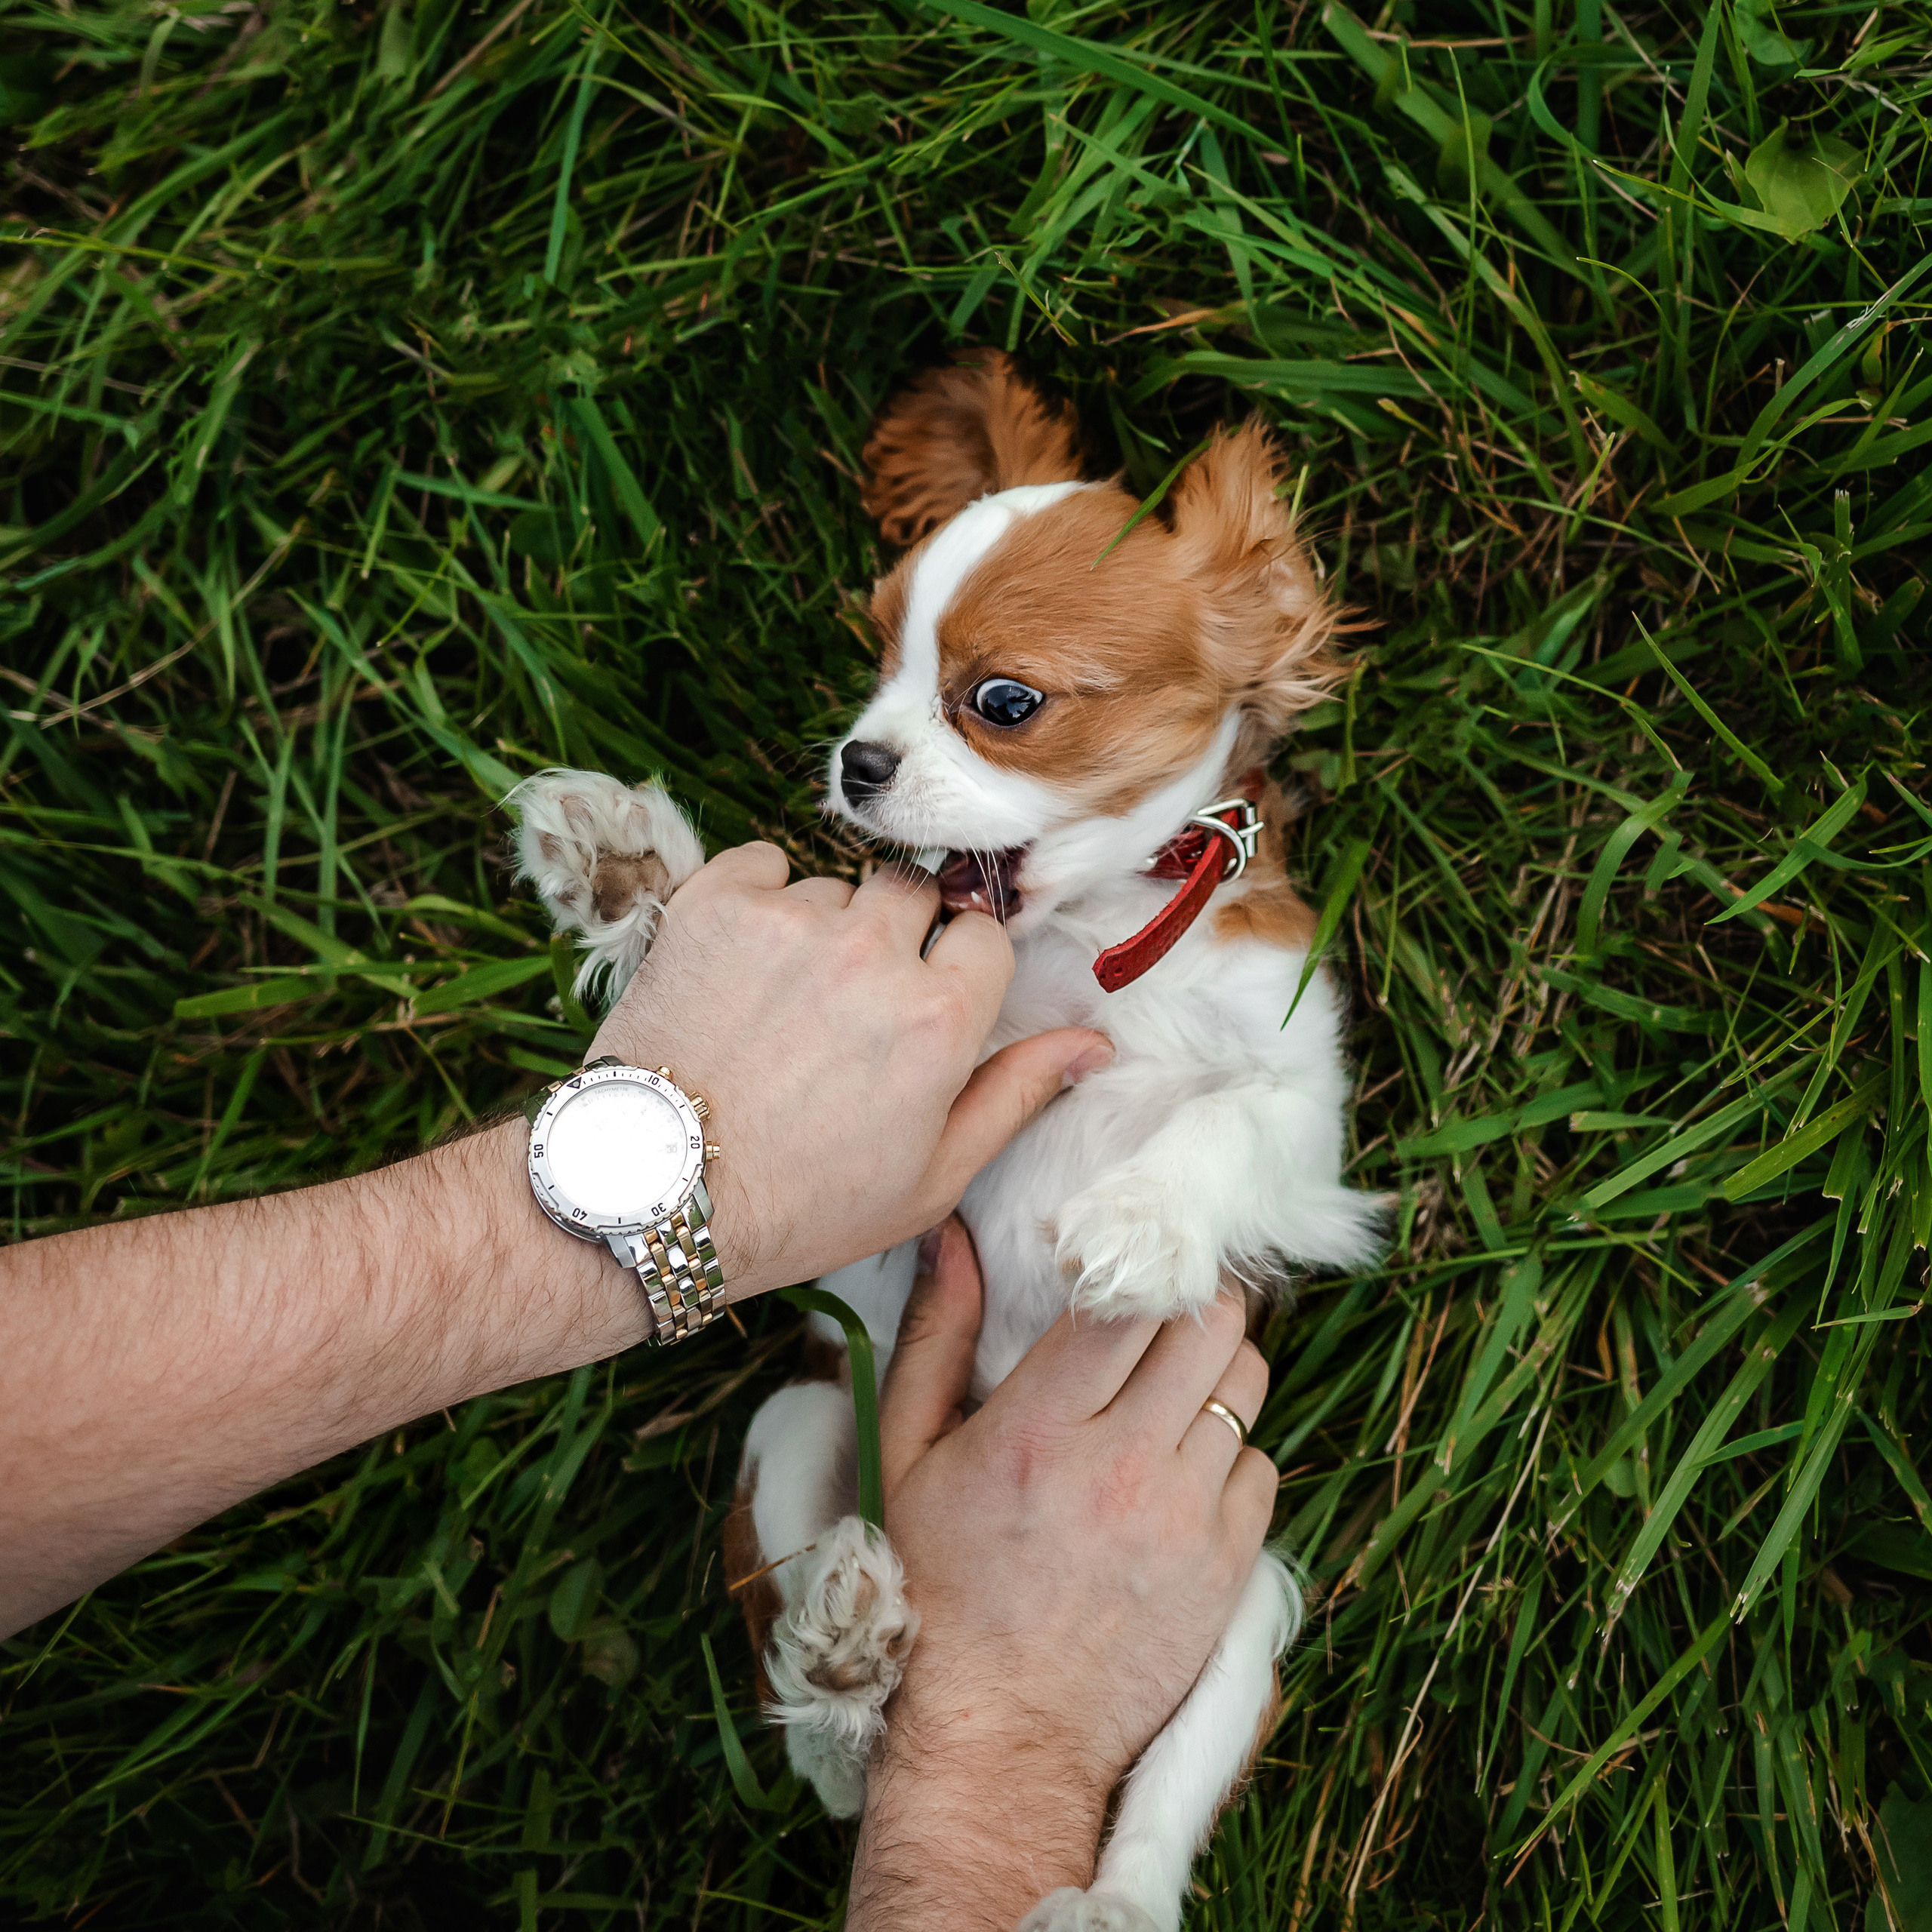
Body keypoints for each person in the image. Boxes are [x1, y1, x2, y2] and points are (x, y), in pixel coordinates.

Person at [0, 841, 1275, 1915]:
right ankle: (897, 1758)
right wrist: (1000, 1744)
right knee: (822, 1447)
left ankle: (1039, 1832)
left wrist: (648, 1175)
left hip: (934, 1335)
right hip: (1034, 1402)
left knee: (826, 1455)